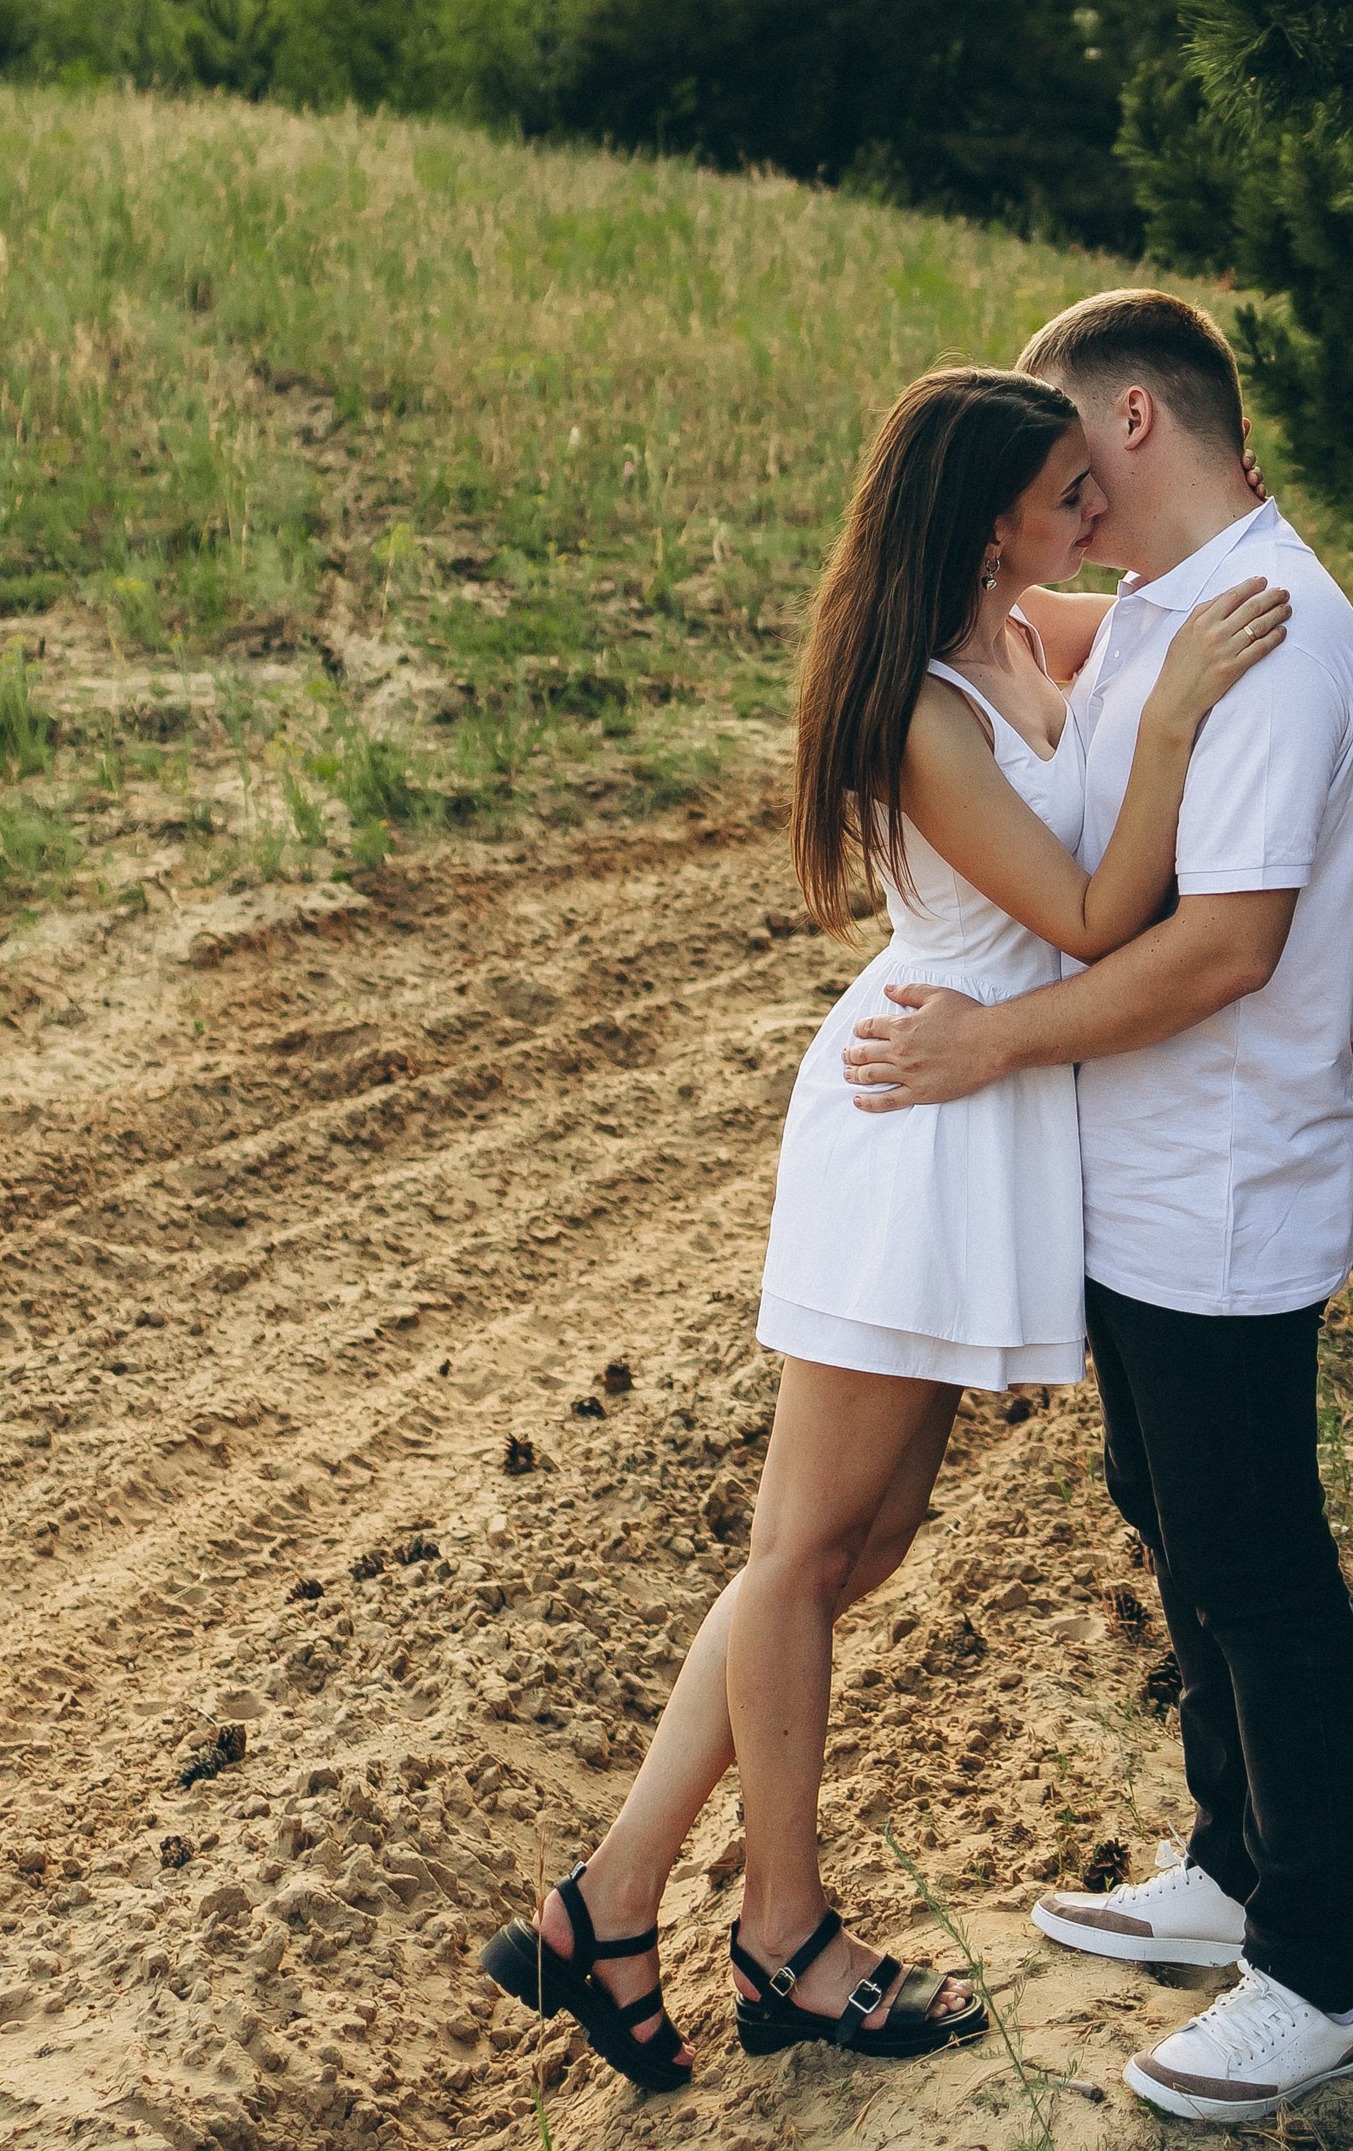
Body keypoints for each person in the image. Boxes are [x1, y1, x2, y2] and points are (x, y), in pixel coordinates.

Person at [479, 363, 1289, 2091]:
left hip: (977, 1124)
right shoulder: (926, 705)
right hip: (916, 1118)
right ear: (988, 515)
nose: (1094, 516)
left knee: (857, 1548)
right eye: (1066, 493)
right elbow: (1086, 909)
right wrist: (1165, 737)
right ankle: (782, 1929)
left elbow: (1164, 608)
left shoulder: (1026, 628)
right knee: (804, 1553)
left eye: (1093, 481)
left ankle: (608, 1904)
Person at [844, 288, 1353, 2129]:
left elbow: (1222, 950)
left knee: (1261, 1575)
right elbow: (1007, 613)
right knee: (1174, 1524)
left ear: (1139, 421)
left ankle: (1309, 1973)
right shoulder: (1162, 611)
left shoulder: (1278, 636)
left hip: (1228, 1185)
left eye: (1077, 457)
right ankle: (1233, 1864)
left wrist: (991, 1042)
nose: (1066, 494)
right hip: (1136, 1188)